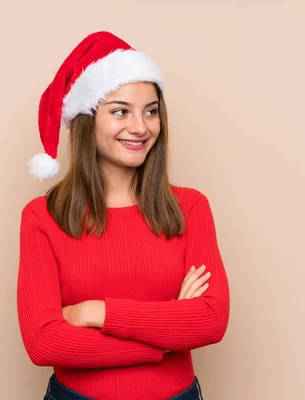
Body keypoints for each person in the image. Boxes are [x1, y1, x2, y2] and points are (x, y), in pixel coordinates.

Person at [17, 31, 230, 400]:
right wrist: (163, 341)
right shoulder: (42, 218)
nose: (140, 127)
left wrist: (95, 312)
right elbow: (44, 342)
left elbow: (210, 320)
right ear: (87, 120)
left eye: (150, 111)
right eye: (120, 111)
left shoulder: (191, 208)